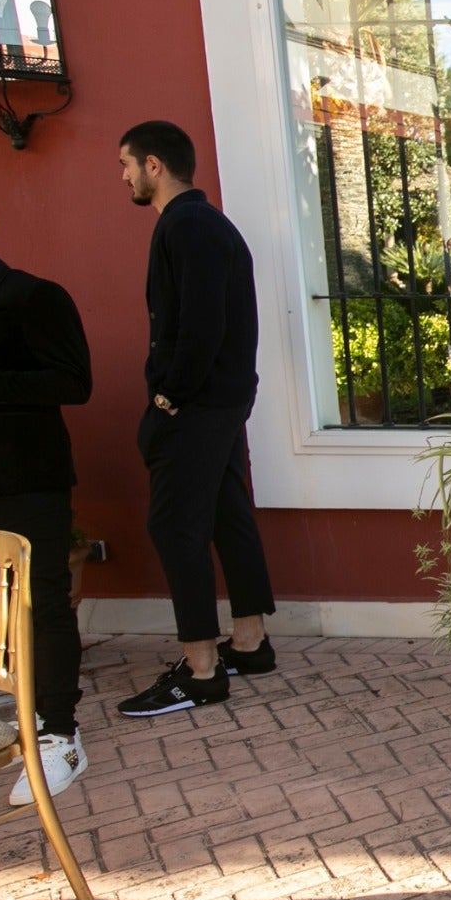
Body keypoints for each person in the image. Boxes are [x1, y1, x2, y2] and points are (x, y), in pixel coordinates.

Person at [114, 121, 280, 718]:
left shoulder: (186, 225)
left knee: (174, 526)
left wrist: (168, 398)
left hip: (198, 404)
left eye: (128, 165)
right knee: (224, 513)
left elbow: (200, 326)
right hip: (219, 401)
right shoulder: (204, 225)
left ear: (155, 165)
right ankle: (250, 642)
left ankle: (203, 671)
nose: (125, 177)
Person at [0, 212, 94, 802]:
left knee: (42, 604)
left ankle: (61, 737)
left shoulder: (33, 296)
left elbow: (74, 383)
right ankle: (17, 729)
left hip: (27, 480)